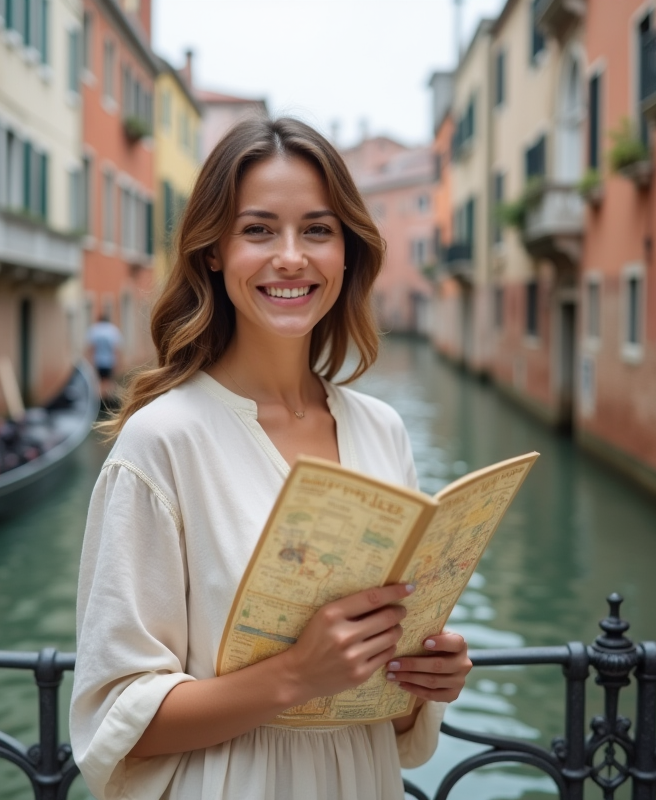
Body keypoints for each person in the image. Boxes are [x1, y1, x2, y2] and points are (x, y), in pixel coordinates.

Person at [71, 118, 473, 800]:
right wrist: (295, 675)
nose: (292, 257)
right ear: (213, 253)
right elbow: (115, 719)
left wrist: (421, 679)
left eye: (317, 230)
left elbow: (384, 699)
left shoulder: (383, 431)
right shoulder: (162, 441)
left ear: (347, 252)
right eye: (259, 230)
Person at [86, 313, 123, 402]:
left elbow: (91, 348)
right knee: (109, 382)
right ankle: (108, 402)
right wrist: (118, 363)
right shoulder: (113, 330)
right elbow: (116, 349)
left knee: (99, 382)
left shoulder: (94, 330)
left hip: (97, 361)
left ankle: (100, 401)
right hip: (109, 361)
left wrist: (89, 362)